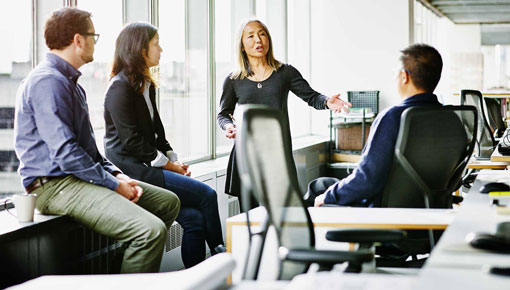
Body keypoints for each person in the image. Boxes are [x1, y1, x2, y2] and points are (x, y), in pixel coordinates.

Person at [14, 8, 180, 273]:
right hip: (54, 186)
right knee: (150, 232)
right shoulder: (48, 82)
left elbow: (89, 150)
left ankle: (118, 277)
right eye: (94, 36)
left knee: (168, 202)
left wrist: (117, 175)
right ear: (78, 40)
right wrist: (114, 185)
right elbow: (66, 154)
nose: (95, 43)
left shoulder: (71, 83)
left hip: (75, 178)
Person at [103, 22, 225, 269]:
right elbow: (132, 141)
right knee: (208, 195)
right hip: (134, 173)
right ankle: (221, 257)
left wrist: (174, 160)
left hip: (149, 167)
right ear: (140, 49)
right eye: (156, 44)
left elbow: (157, 133)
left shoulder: (145, 86)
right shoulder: (119, 88)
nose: (162, 50)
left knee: (194, 220)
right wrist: (170, 166)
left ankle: (197, 278)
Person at [217, 18, 351, 208]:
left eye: (262, 34)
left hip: (277, 154)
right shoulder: (233, 79)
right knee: (252, 219)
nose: (258, 40)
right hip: (246, 155)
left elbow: (312, 97)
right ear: (241, 45)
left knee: (283, 213)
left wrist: (328, 102)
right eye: (251, 36)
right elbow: (223, 114)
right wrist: (229, 126)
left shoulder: (284, 72)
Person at [314, 43, 444, 207]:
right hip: (429, 208)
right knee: (328, 184)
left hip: (386, 210)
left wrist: (326, 197)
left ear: (404, 76)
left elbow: (367, 180)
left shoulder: (393, 117)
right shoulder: (450, 119)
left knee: (318, 189)